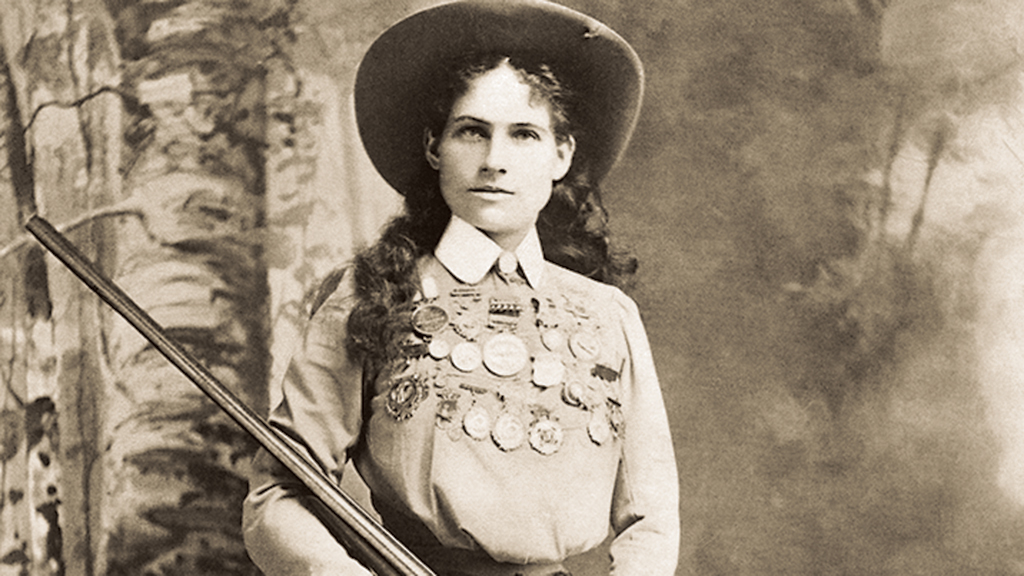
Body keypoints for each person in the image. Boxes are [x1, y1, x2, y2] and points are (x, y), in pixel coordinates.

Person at [242, 1, 679, 574]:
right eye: (472, 132)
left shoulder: (607, 315)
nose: (494, 161)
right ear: (434, 147)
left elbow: (651, 516)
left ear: (561, 154)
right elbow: (279, 494)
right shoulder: (372, 295)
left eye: (524, 135)